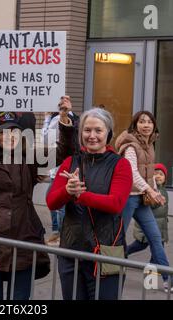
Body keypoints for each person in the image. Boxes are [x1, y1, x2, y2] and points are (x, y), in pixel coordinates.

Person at [47, 107, 132, 300]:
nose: (92, 135)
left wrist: (81, 195)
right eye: (87, 130)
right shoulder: (70, 161)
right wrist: (67, 191)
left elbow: (116, 204)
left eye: (98, 130)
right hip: (71, 253)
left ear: (108, 133)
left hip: (107, 252)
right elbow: (52, 202)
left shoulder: (120, 164)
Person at [0, 111, 50, 300]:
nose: (9, 136)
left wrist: (65, 120)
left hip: (24, 242)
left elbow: (62, 151)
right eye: (4, 132)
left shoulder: (30, 160)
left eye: (14, 131)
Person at [115, 111, 173, 293]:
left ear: (154, 126)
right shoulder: (130, 147)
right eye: (142, 122)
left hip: (141, 199)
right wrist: (150, 190)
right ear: (135, 125)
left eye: (149, 122)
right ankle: (103, 271)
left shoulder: (149, 145)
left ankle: (167, 279)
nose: (146, 125)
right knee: (116, 237)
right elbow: (132, 173)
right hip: (128, 198)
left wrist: (156, 190)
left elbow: (148, 174)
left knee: (156, 238)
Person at [42, 96, 80, 246]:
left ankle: (63, 234)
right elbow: (46, 142)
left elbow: (47, 138)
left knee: (61, 200)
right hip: (56, 166)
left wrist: (50, 118)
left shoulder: (70, 118)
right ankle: (58, 231)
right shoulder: (52, 119)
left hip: (65, 167)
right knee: (53, 198)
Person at [127, 163, 169, 260]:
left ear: (165, 178)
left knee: (157, 246)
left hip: (160, 226)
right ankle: (125, 252)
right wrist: (157, 200)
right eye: (155, 173)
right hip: (147, 227)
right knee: (141, 245)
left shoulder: (163, 190)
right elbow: (150, 205)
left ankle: (153, 266)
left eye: (161, 174)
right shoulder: (151, 191)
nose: (158, 176)